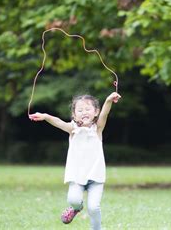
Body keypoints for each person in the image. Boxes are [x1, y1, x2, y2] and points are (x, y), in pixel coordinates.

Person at [29, 92, 121, 229]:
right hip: (77, 176)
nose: (84, 112)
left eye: (88, 109)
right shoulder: (73, 129)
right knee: (73, 200)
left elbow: (105, 114)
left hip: (96, 177)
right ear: (74, 115)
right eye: (80, 110)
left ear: (96, 112)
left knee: (94, 208)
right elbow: (59, 122)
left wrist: (108, 100)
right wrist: (45, 116)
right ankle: (77, 208)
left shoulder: (97, 129)